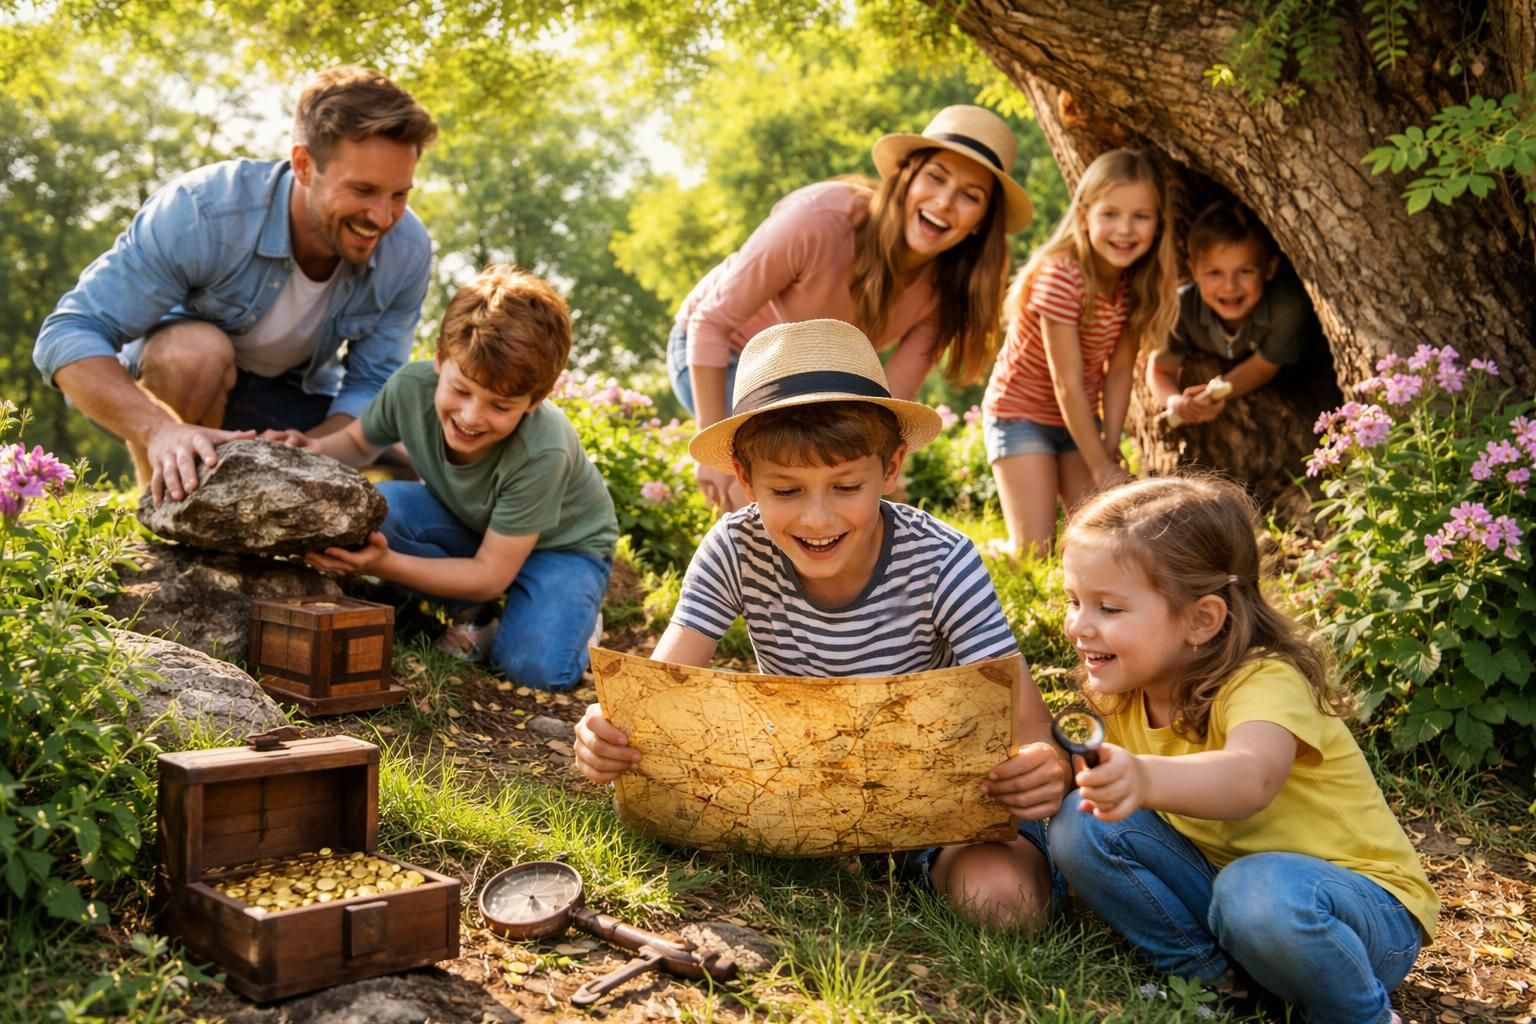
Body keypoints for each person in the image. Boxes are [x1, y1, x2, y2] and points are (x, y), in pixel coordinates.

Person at [577, 319, 1068, 928]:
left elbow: (1032, 728)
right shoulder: (735, 548)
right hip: (793, 794)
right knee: (654, 818)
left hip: (934, 808)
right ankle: (833, 861)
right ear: (745, 477)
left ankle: (913, 868)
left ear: (891, 467)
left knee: (1005, 902)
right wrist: (609, 734)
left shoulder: (942, 560)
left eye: (846, 486)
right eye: (786, 490)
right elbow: (657, 696)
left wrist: (1044, 765)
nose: (817, 518)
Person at [1048, 475, 1437, 1024]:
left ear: (1201, 619)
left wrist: (1143, 777)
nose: (1078, 627)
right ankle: (1215, 985)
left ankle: (1359, 1015)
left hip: (1354, 910)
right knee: (1083, 820)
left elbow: (1251, 778)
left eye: (1109, 608)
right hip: (1230, 898)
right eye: (1074, 601)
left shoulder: (1264, 681)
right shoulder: (1122, 694)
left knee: (1254, 890)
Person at [33, 65, 438, 504]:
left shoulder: (408, 250)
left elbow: (374, 381)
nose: (382, 217)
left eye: (399, 194)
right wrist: (160, 429)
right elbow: (67, 335)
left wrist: (319, 447)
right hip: (179, 391)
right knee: (194, 353)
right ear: (304, 165)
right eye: (362, 190)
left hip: (290, 402)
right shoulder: (203, 211)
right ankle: (166, 509)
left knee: (413, 451)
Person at [266, 265, 617, 692]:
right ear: (439, 358)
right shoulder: (410, 387)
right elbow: (358, 443)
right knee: (385, 508)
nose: (471, 417)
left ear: (534, 400)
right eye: (461, 390)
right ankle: (478, 616)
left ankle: (572, 619)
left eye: (499, 406)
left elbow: (490, 573)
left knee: (534, 669)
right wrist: (307, 450)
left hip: (562, 548)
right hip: (473, 528)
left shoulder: (543, 449)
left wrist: (383, 564)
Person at [671, 105, 1033, 511]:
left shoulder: (947, 292)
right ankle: (739, 546)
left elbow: (887, 401)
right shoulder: (818, 219)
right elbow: (710, 323)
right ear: (905, 177)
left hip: (812, 382)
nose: (945, 202)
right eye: (935, 177)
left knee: (853, 494)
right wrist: (711, 447)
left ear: (982, 220)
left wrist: (882, 484)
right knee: (769, 482)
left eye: (970, 196)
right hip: (721, 352)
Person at [981, 149, 1181, 557]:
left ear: (1159, 224)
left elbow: (1120, 372)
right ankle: (982, 553)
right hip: (1020, 416)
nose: (1124, 229)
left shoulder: (1135, 283)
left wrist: (1109, 446)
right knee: (1035, 550)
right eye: (1111, 214)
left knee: (1097, 540)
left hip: (1077, 422)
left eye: (1141, 216)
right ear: (1084, 214)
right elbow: (1066, 382)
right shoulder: (1062, 275)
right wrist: (1101, 467)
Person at [1147, 200, 1323, 426]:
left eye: (1245, 271)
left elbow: (1262, 366)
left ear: (1269, 269)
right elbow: (1160, 369)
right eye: (1215, 273)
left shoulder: (1286, 307)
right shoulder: (1182, 307)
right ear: (1194, 270)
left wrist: (1217, 393)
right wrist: (1174, 401)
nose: (1230, 287)